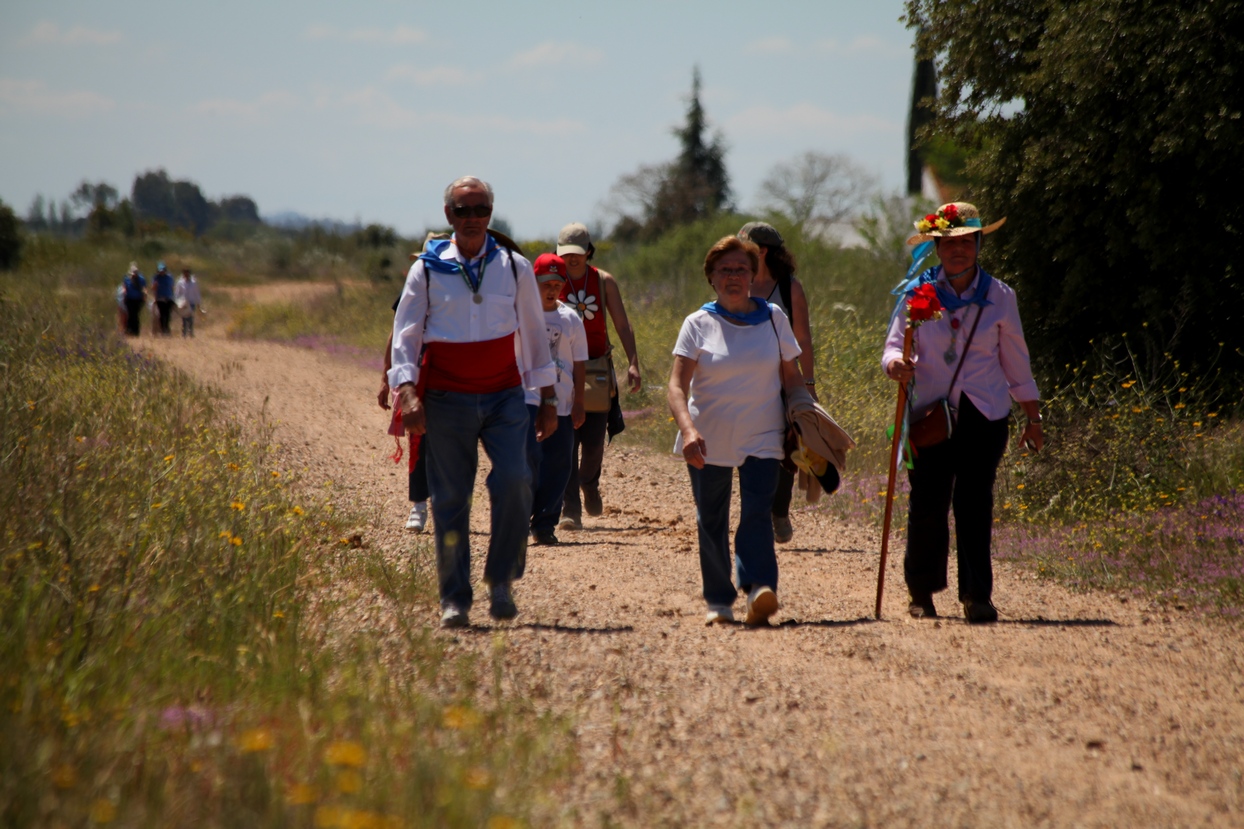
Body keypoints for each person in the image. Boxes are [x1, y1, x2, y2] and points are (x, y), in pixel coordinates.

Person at [390, 176, 556, 628]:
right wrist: (406, 394)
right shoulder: (426, 268)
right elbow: (405, 336)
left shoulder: (514, 266)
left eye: (480, 209)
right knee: (450, 498)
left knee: (518, 479)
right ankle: (455, 599)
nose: (472, 218)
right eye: (463, 211)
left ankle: (501, 580)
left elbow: (534, 334)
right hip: (445, 398)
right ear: (448, 216)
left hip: (505, 395)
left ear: (491, 213)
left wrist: (547, 397)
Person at [883, 202, 1043, 624]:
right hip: (930, 415)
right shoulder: (918, 291)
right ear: (936, 246)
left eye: (967, 242)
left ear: (978, 244)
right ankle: (921, 592)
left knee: (975, 502)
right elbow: (894, 343)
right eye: (950, 243)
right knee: (928, 503)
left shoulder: (1000, 296)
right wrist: (895, 365)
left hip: (985, 413)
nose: (959, 250)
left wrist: (1033, 416)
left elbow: (1016, 359)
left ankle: (977, 596)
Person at [668, 236, 805, 626]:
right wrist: (688, 430)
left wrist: (807, 418)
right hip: (706, 438)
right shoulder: (698, 324)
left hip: (763, 435)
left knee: (758, 513)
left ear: (753, 274)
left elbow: (792, 377)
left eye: (741, 269)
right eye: (724, 270)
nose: (733, 276)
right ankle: (719, 600)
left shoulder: (775, 318)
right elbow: (676, 386)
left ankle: (759, 588)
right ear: (711, 277)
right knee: (711, 517)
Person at [555, 223, 641, 530]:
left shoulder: (603, 282)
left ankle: (589, 483)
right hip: (562, 370)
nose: (571, 259)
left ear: (588, 251)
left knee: (592, 441)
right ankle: (570, 508)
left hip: (595, 369)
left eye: (577, 253)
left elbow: (622, 324)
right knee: (566, 440)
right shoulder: (551, 280)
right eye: (565, 254)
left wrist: (633, 362)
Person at [737, 221, 817, 544]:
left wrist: (808, 386)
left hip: (784, 381)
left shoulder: (789, 289)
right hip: (742, 383)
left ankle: (779, 511)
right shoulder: (734, 284)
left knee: (787, 445)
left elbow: (804, 340)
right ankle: (754, 513)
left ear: (763, 251)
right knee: (746, 449)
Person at [379, 233, 449, 533]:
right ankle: (419, 505)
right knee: (420, 437)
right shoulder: (415, 286)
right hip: (419, 372)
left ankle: (451, 505)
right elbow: (397, 333)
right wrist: (386, 376)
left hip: (453, 372)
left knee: (456, 441)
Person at [525, 253, 588, 545]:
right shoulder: (522, 314)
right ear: (533, 283)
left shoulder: (570, 318)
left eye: (557, 283)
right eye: (544, 283)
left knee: (559, 464)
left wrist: (578, 403)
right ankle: (522, 516)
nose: (551, 289)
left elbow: (579, 362)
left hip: (562, 403)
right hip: (527, 399)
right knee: (528, 461)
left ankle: (545, 523)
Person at [174, 267, 201, 338]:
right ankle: (184, 333)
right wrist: (177, 302)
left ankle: (191, 332)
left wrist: (198, 303)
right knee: (184, 319)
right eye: (185, 273)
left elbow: (196, 293)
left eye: (187, 273)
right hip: (183, 304)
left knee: (190, 318)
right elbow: (177, 293)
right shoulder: (180, 283)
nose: (186, 275)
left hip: (191, 303)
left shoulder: (193, 283)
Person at [122, 263, 146, 337]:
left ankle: (136, 332)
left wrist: (145, 296)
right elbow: (124, 287)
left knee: (135, 315)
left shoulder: (141, 279)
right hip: (129, 299)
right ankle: (129, 331)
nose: (134, 274)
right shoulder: (127, 279)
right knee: (130, 315)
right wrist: (124, 294)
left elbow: (144, 288)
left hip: (138, 300)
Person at [152, 262, 175, 335]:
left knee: (167, 314)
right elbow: (153, 288)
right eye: (160, 270)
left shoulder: (169, 277)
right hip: (160, 298)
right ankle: (163, 330)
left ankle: (167, 329)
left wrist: (173, 297)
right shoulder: (156, 277)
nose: (162, 272)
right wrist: (155, 286)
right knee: (162, 315)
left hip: (168, 298)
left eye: (163, 270)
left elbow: (172, 287)